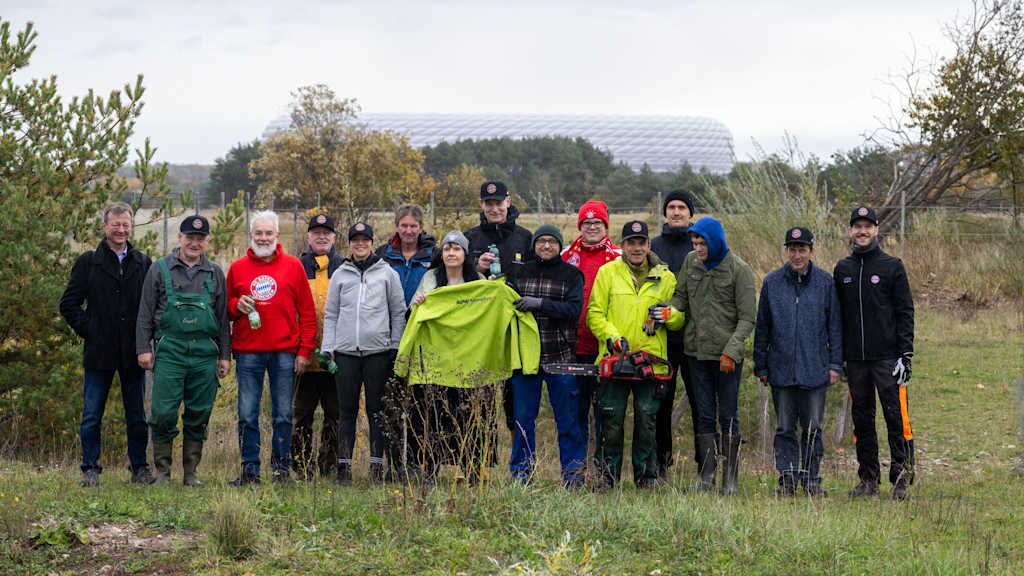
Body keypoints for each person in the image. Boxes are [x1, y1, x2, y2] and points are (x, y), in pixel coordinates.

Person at [60, 202, 155, 487]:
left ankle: (139, 468)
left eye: (126, 225)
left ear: (131, 226)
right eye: (116, 225)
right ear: (105, 226)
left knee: (137, 415)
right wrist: (92, 331)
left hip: (133, 352)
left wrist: (145, 341)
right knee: (92, 415)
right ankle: (90, 468)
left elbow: (151, 307)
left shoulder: (143, 262)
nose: (121, 230)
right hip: (99, 353)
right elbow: (68, 305)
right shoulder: (88, 262)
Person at [587, 220, 683, 488]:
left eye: (641, 243)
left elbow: (679, 318)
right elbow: (594, 314)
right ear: (623, 246)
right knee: (611, 421)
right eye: (631, 243)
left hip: (651, 362)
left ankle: (647, 478)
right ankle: (608, 478)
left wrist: (669, 315)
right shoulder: (607, 273)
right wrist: (613, 337)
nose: (636, 248)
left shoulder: (667, 277)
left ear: (648, 245)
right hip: (614, 359)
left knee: (647, 422)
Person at [135, 215, 231, 486]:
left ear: (207, 241)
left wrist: (225, 355)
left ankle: (191, 472)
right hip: (170, 352)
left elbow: (223, 320)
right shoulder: (160, 269)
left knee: (199, 413)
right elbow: (144, 313)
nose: (194, 243)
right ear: (180, 238)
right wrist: (144, 348)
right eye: (190, 237)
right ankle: (163, 472)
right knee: (163, 412)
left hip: (204, 354)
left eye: (200, 239)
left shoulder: (214, 272)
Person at [226, 210, 317, 485]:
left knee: (283, 414)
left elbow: (308, 313)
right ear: (251, 236)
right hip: (248, 351)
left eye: (268, 233)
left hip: (284, 352)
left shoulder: (293, 266)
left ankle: (281, 470)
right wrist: (235, 306)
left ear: (277, 236)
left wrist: (304, 351)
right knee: (247, 413)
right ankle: (249, 470)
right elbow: (226, 311)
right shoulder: (237, 268)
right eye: (258, 233)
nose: (263, 238)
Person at [834, 206, 916, 500]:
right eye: (857, 226)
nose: (862, 231)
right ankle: (868, 478)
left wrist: (905, 355)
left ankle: (901, 478)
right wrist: (840, 356)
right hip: (856, 360)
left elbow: (906, 311)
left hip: (888, 359)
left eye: (868, 226)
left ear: (876, 230)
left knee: (897, 418)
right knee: (862, 419)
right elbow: (838, 317)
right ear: (850, 231)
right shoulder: (842, 269)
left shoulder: (892, 266)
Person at [669, 216, 755, 495]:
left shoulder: (738, 270)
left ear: (715, 241)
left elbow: (747, 318)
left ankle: (730, 480)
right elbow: (680, 297)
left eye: (702, 243)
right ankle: (706, 477)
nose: (698, 248)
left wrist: (731, 351)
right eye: (695, 243)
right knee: (704, 414)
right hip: (696, 353)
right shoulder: (690, 263)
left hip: (726, 357)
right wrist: (667, 311)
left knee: (728, 415)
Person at [753, 227, 842, 497]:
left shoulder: (826, 283)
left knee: (813, 427)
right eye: (792, 249)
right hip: (781, 370)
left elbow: (835, 326)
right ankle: (788, 478)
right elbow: (763, 327)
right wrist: (761, 365)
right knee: (785, 428)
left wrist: (836, 364)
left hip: (815, 369)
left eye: (802, 249)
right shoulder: (772, 282)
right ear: (786, 251)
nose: (797, 254)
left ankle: (812, 478)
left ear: (811, 251)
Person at [321, 222, 407, 484]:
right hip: (346, 353)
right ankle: (344, 468)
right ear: (349, 244)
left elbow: (397, 312)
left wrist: (395, 346)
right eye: (355, 240)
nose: (360, 245)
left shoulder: (387, 274)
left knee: (376, 411)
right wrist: (327, 348)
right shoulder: (340, 274)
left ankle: (376, 467)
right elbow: (331, 314)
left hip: (377, 353)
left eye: (365, 240)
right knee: (346, 411)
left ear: (372, 242)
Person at [507, 224, 586, 487]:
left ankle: (573, 477)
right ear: (534, 245)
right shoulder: (520, 272)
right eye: (542, 241)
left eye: (552, 242)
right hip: (525, 359)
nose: (547, 246)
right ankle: (521, 475)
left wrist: (539, 304)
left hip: (560, 356)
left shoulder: (572, 275)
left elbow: (573, 311)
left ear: (560, 245)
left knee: (568, 421)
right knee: (523, 420)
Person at [408, 230, 487, 483]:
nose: (451, 253)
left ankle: (471, 469)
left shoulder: (479, 281)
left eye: (456, 248)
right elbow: (412, 311)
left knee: (467, 416)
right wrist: (418, 303)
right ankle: (429, 469)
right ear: (441, 254)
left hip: (468, 359)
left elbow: (486, 315)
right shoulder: (431, 278)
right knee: (433, 414)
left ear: (465, 254)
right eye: (447, 249)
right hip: (436, 359)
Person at [464, 180, 535, 434]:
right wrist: (475, 267)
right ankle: (478, 464)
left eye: (498, 203)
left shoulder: (525, 238)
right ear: (481, 205)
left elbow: (534, 278)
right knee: (480, 399)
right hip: (480, 331)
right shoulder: (470, 238)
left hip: (514, 328)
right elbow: (452, 277)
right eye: (488, 203)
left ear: (508, 201)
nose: (494, 209)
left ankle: (521, 464)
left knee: (515, 399)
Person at [561, 200, 621, 470]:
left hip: (607, 347)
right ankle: (576, 467)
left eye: (598, 222)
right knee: (576, 410)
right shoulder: (566, 256)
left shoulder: (619, 256)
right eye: (587, 222)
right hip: (574, 345)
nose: (592, 227)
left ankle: (603, 468)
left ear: (606, 225)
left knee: (605, 410)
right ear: (580, 226)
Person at [291, 214, 344, 481]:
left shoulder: (344, 267)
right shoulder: (296, 267)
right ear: (308, 236)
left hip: (336, 358)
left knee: (335, 414)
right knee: (301, 414)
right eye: (316, 232)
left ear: (334, 237)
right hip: (304, 356)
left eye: (327, 232)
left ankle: (330, 463)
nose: (322, 236)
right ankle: (301, 464)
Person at [649, 189, 697, 480]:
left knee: (701, 401)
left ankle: (707, 466)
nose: (676, 212)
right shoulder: (653, 247)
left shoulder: (700, 246)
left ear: (691, 213)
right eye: (671, 207)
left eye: (682, 208)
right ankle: (660, 464)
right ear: (664, 213)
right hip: (662, 340)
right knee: (661, 403)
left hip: (694, 338)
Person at [376, 203, 436, 307]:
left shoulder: (434, 255)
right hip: (389, 319)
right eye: (404, 226)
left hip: (420, 317)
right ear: (397, 227)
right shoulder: (382, 254)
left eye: (413, 226)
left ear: (421, 228)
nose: (408, 231)